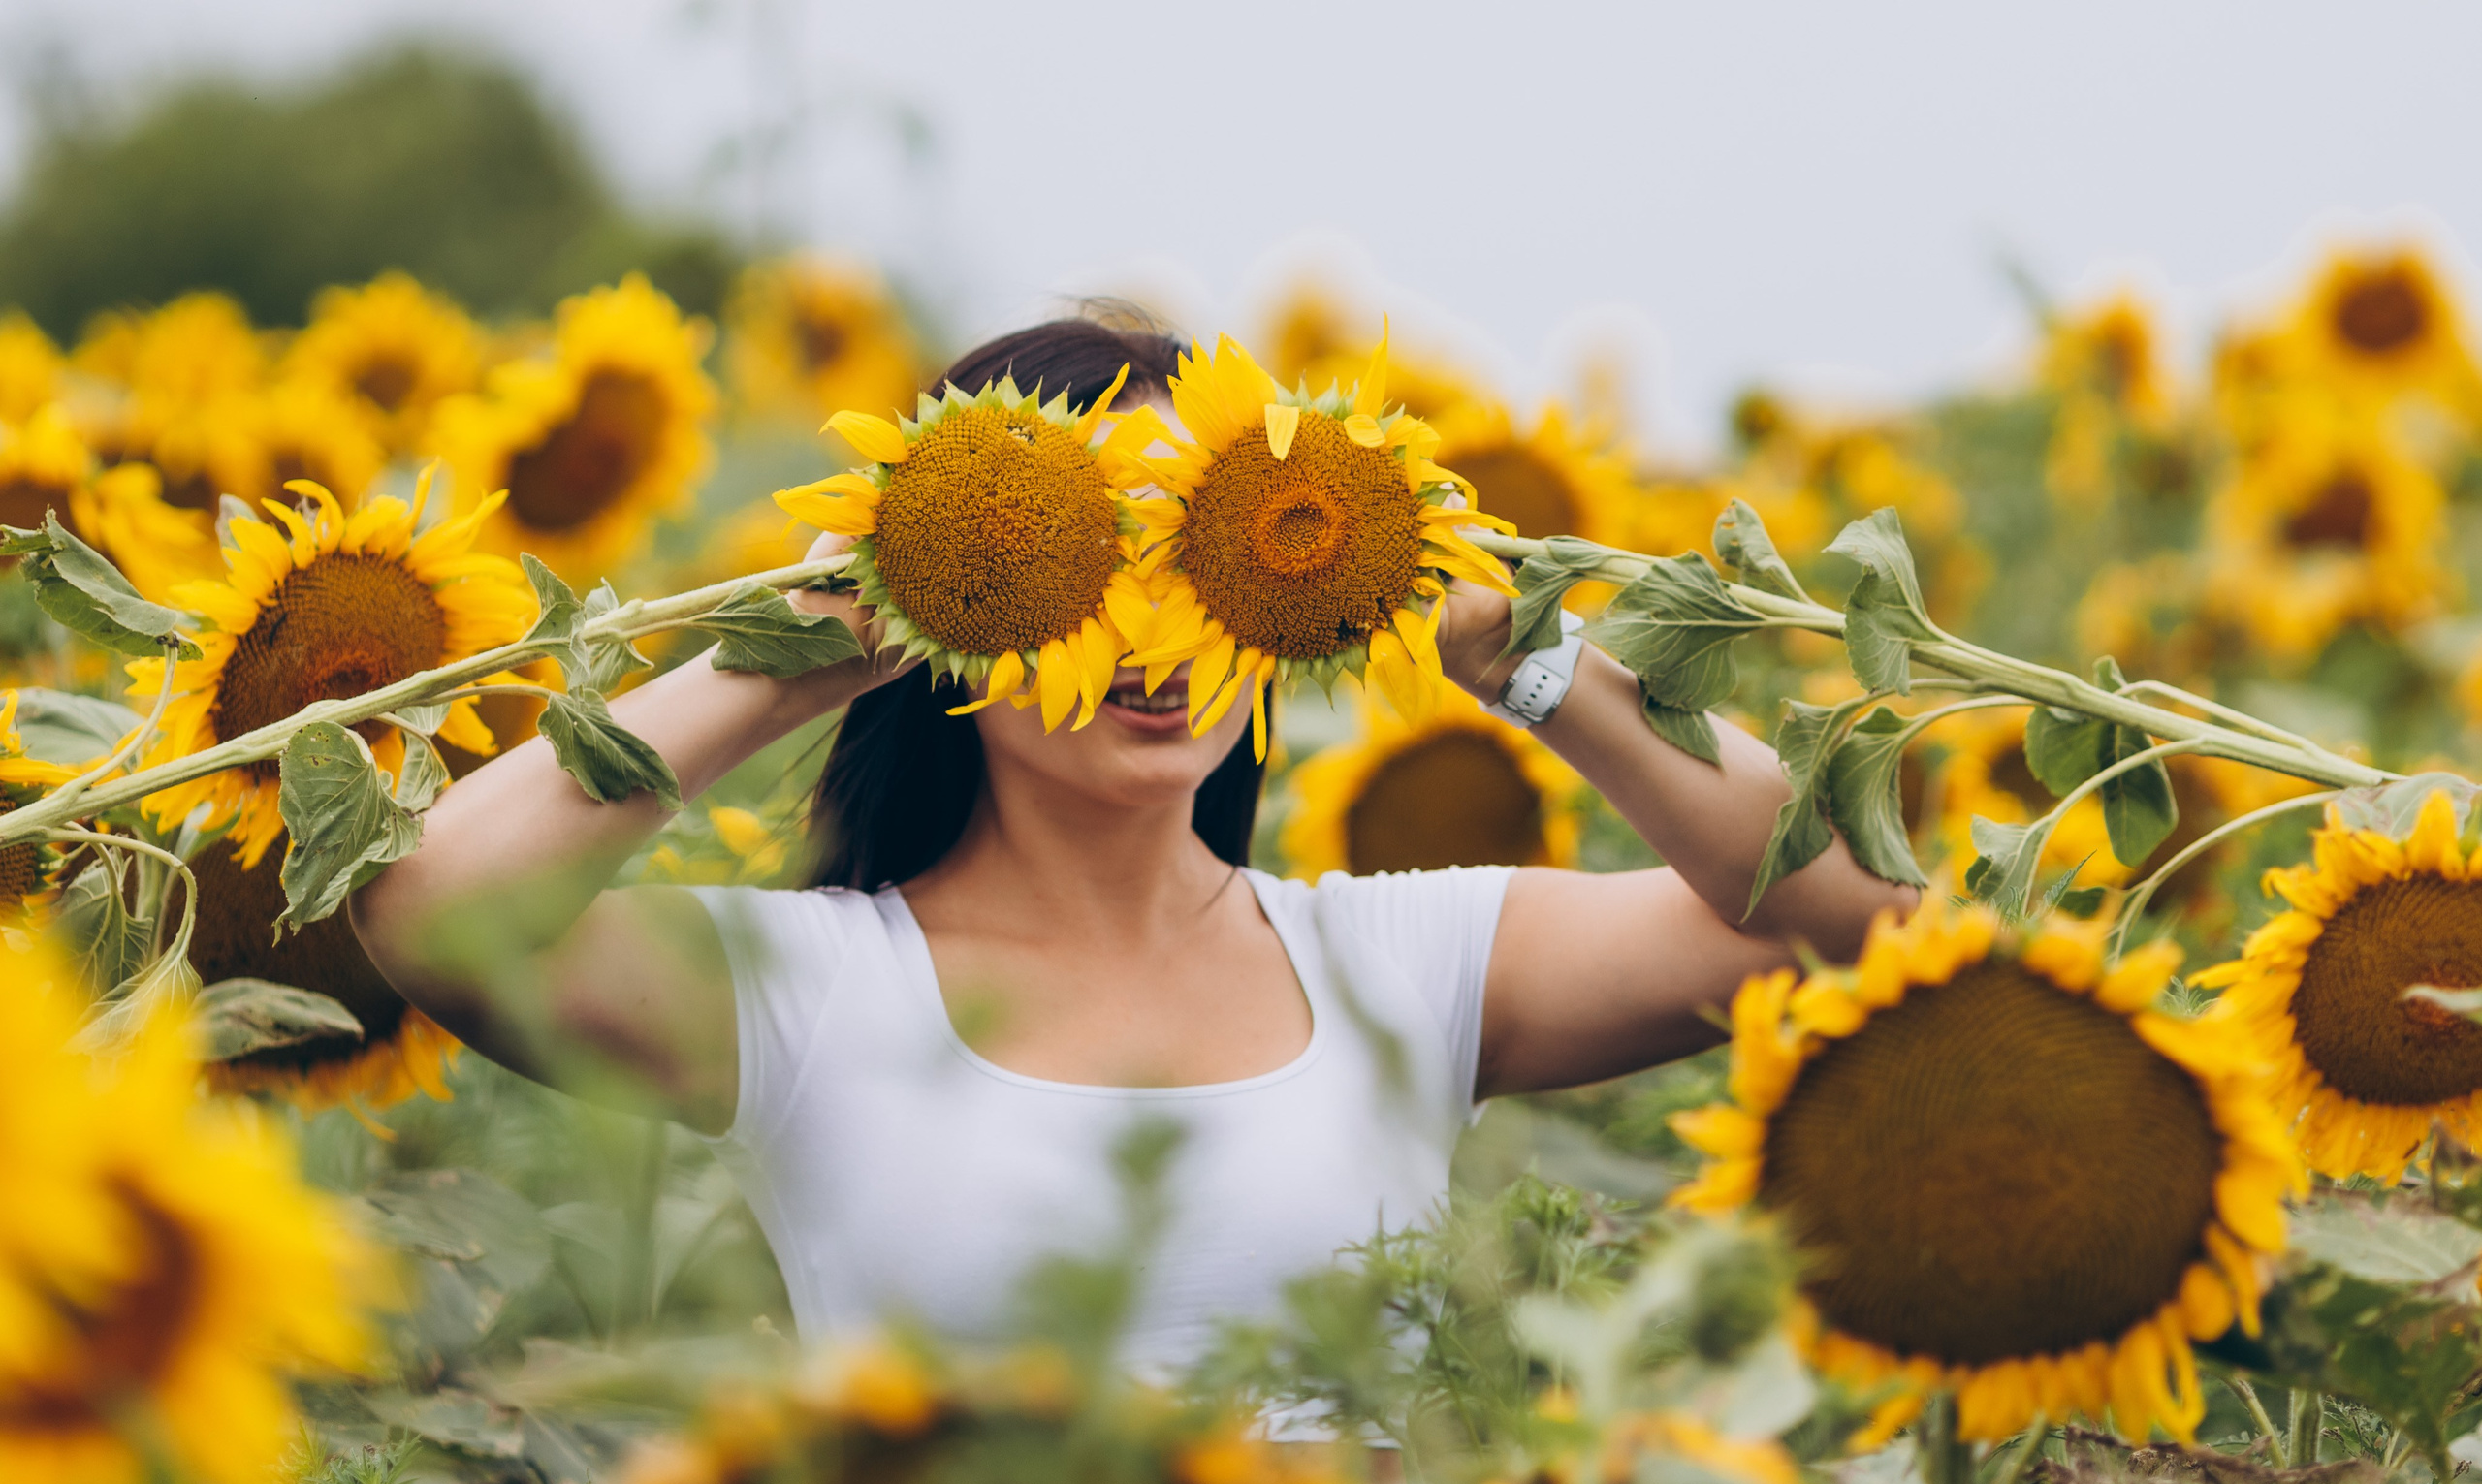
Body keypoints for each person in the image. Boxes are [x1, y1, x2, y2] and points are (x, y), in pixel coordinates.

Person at [351, 312, 1911, 1375]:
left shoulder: (1397, 965)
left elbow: (1844, 922)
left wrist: (1526, 660)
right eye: (1085, 559)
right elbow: (429, 905)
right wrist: (803, 643)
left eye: (1200, 549)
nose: (1158, 634)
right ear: (953, 606)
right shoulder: (809, 992)